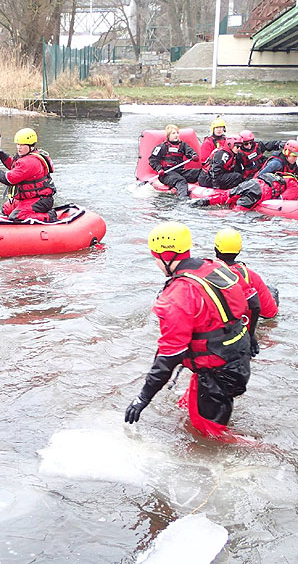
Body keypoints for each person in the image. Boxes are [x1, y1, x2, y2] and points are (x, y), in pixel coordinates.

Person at [124, 221, 260, 437]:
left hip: (218, 371)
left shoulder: (177, 296)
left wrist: (142, 398)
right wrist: (251, 337)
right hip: (237, 357)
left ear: (165, 256)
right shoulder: (215, 267)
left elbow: (169, 356)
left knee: (208, 436)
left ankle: (266, 455)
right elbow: (253, 303)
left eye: (155, 258)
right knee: (186, 410)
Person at [0, 128, 57, 222]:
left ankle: (48, 216)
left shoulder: (30, 162)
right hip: (28, 198)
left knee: (16, 217)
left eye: (22, 145)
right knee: (6, 209)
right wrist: (3, 156)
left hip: (40, 200)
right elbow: (15, 166)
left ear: (30, 146)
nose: (19, 147)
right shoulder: (27, 156)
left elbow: (8, 179)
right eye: (18, 144)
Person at [214, 228, 279, 319]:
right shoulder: (252, 276)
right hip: (240, 326)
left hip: (214, 326)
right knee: (273, 290)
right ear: (239, 250)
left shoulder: (204, 272)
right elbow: (270, 313)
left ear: (215, 249)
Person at [189, 172, 298, 211]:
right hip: (260, 191)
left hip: (252, 183)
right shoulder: (293, 183)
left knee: (227, 194)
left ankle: (204, 202)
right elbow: (282, 199)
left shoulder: (283, 176)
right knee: (237, 212)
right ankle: (212, 215)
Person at [148, 124, 200, 199]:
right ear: (168, 135)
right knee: (180, 180)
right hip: (166, 173)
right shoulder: (162, 147)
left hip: (180, 171)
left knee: (200, 172)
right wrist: (159, 169)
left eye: (177, 133)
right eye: (173, 133)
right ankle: (184, 198)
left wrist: (194, 155)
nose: (176, 135)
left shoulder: (183, 145)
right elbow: (153, 160)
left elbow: (191, 152)